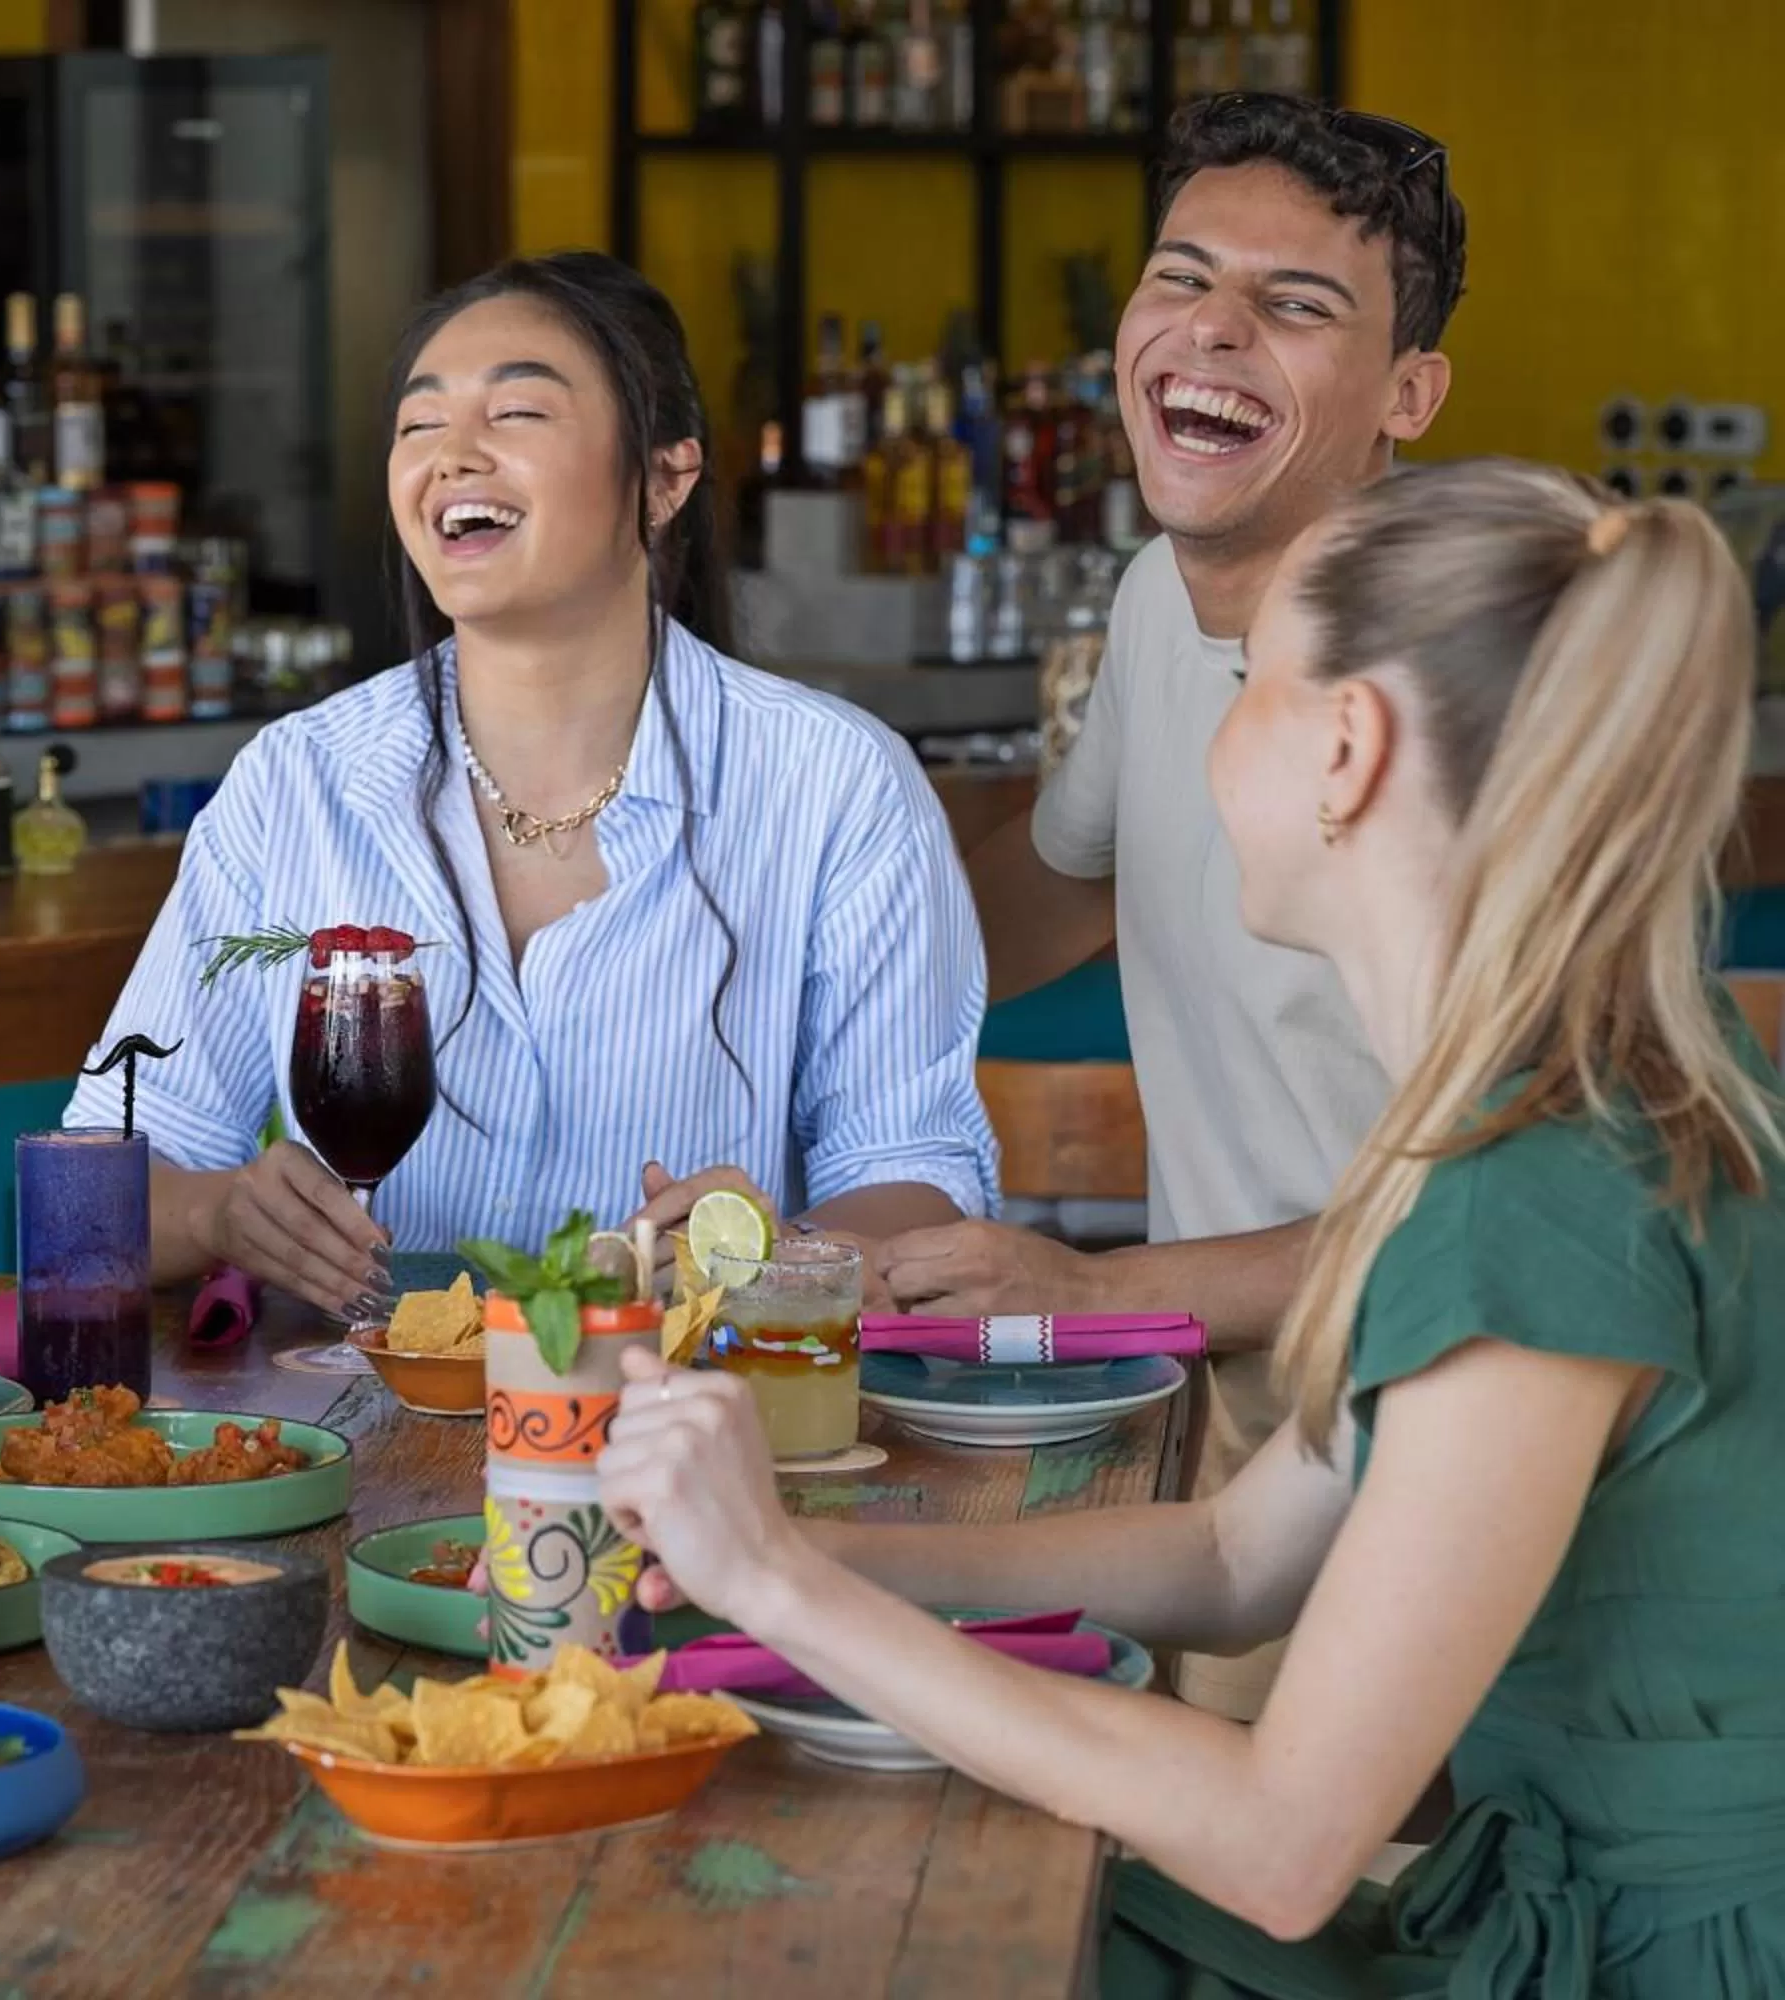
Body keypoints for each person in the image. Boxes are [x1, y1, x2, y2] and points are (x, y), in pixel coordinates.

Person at [603, 459, 1785, 1995]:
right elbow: (1236, 1558)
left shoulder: (1541, 1192)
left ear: (1346, 751)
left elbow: (1286, 1843)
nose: (1213, 732)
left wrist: (777, 1583)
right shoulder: (1533, 1113)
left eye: (1253, 687)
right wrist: (794, 1547)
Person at [66, 252, 998, 1305]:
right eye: (420, 426)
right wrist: (216, 1211)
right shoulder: (299, 783)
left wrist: (771, 1253)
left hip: (679, 1424)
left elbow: (914, 1179)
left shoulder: (836, 786)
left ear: (664, 479)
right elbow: (91, 1188)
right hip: (356, 1431)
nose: (453, 455)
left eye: (516, 412)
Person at [881, 94, 1464, 1716]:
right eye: (1181, 278)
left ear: (1408, 393)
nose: (1210, 332)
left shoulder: (1453, 689)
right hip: (1218, 1400)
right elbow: (1066, 881)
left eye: (1295, 306)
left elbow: (1507, 1211)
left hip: (1435, 1404)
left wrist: (1091, 1285)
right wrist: (786, 1014)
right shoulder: (1156, 598)